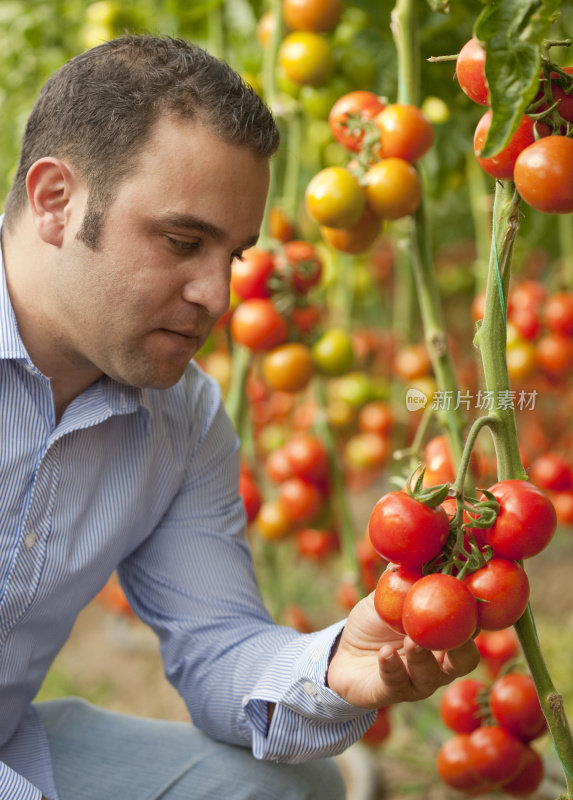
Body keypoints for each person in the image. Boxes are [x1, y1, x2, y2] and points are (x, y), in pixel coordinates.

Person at [0, 34, 479, 800]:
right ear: (57, 200)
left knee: (291, 788)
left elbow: (217, 648)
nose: (217, 299)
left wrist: (332, 669)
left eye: (233, 257)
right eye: (181, 241)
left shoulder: (181, 417)